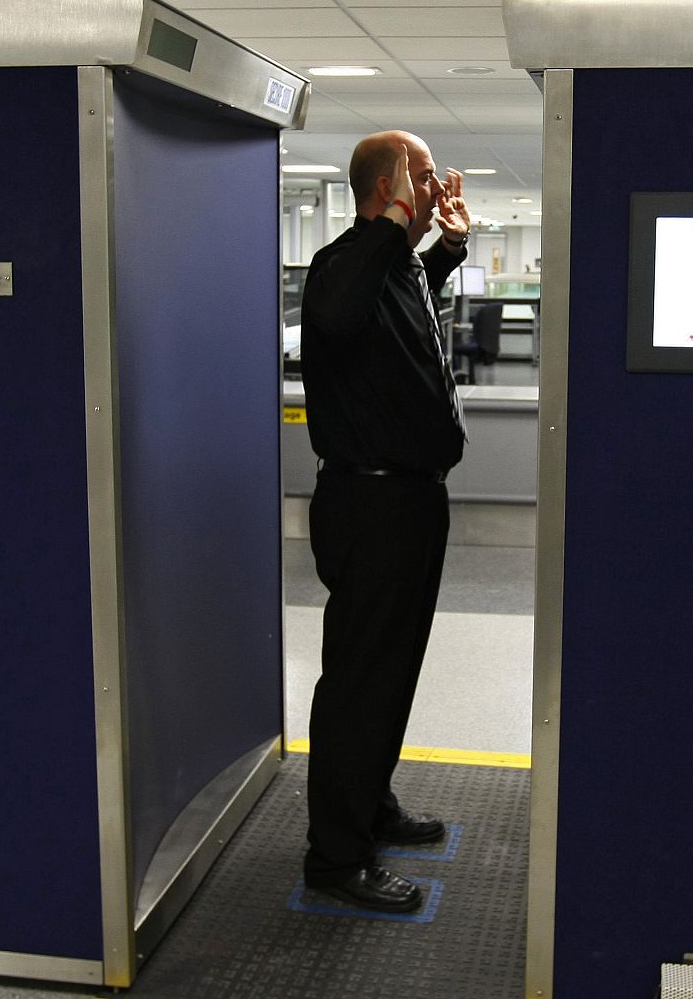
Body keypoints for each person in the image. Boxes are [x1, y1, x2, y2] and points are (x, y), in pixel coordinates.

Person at [298, 130, 472, 913]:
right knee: (360, 682)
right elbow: (338, 319)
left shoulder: (391, 269)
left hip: (409, 502)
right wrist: (389, 226)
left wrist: (443, 250)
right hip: (370, 505)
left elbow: (402, 311)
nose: (437, 191)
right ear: (387, 186)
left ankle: (371, 805)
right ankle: (336, 858)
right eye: (424, 179)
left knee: (392, 673)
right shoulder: (342, 266)